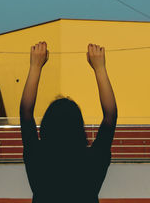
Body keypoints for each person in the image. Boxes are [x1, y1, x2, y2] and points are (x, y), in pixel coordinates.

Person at [20, 41, 117, 203]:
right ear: (79, 128)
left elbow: (26, 114)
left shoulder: (38, 158)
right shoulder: (92, 161)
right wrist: (100, 68)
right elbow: (110, 116)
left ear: (46, 127)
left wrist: (35, 66)